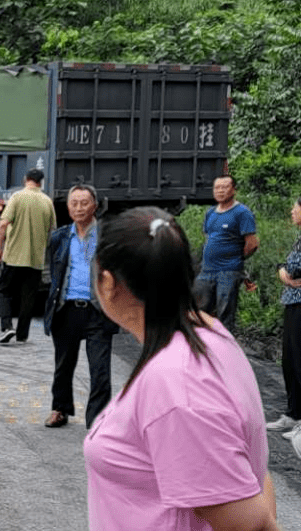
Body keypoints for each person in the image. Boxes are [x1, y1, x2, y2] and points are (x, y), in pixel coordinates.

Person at [84, 207, 280, 531]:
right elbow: (250, 471)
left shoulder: (174, 382)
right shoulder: (212, 334)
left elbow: (254, 525)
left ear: (107, 283)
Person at [43, 184, 117, 429]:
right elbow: (54, 271)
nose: (78, 208)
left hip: (98, 310)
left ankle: (97, 420)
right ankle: (60, 409)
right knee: (63, 365)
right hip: (67, 308)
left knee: (100, 370)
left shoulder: (107, 237)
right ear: (67, 207)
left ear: (95, 205)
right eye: (74, 203)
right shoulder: (60, 237)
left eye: (84, 203)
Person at [0, 168, 57, 344]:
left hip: (14, 256)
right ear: (41, 182)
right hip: (35, 259)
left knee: (4, 291)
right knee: (28, 298)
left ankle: (7, 327)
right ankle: (22, 335)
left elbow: (3, 225)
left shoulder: (17, 197)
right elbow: (52, 229)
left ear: (25, 179)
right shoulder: (47, 201)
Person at [193, 175, 259, 332]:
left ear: (234, 190)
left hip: (228, 271)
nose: (220, 191)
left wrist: (235, 260)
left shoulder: (242, 213)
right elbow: (209, 237)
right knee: (199, 311)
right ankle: (203, 348)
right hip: (207, 270)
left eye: (225, 187)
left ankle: (224, 352)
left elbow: (252, 244)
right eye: (217, 188)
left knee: (225, 315)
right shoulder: (210, 213)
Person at [267, 198, 301, 441]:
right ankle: (293, 414)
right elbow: (287, 269)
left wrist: (285, 271)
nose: (291, 211)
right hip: (292, 302)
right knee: (289, 360)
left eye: (295, 207)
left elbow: (293, 269)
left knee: (298, 361)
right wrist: (283, 271)